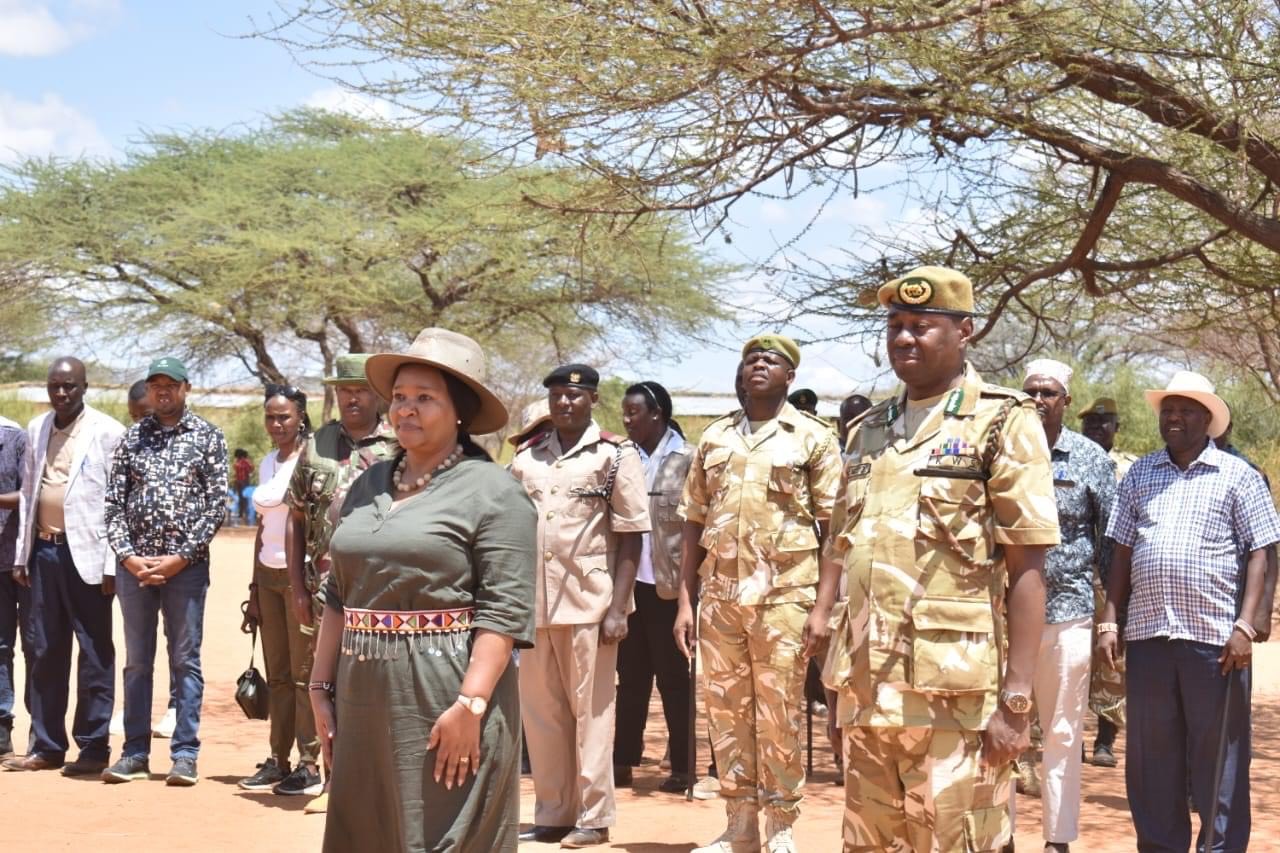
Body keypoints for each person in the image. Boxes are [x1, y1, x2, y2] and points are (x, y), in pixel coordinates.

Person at [824, 266, 1059, 852]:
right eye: (896, 325)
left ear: (965, 332)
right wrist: (838, 691)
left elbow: (1028, 568)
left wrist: (1016, 702)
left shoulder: (1004, 419)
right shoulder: (865, 432)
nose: (904, 338)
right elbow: (847, 553)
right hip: (867, 691)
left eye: (922, 326)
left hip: (955, 696)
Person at [309, 327, 535, 852]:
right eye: (401, 398)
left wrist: (471, 707)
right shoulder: (368, 483)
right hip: (362, 694)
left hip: (444, 696)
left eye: (425, 399)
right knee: (367, 833)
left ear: (460, 411)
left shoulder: (495, 493)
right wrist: (320, 689)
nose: (406, 410)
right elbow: (339, 594)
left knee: (436, 833)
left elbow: (503, 614)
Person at [1098, 370, 1280, 852]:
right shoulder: (1140, 473)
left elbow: (1262, 549)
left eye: (1185, 411)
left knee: (1217, 761)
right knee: (1152, 760)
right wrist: (1109, 618)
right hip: (1149, 636)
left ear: (1208, 419)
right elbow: (1121, 548)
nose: (1174, 418)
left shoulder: (1238, 474)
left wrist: (1246, 624)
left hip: (1215, 643)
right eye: (1168, 411)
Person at [674, 334, 842, 853]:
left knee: (779, 711)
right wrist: (685, 600)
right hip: (720, 596)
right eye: (751, 359)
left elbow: (834, 528)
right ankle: (740, 825)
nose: (759, 366)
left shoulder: (812, 437)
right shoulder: (716, 437)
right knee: (725, 712)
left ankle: (782, 827)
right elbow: (692, 521)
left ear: (790, 377)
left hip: (785, 598)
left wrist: (823, 607)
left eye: (771, 361)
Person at [511, 363, 649, 848]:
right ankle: (553, 812)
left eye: (575, 395)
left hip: (589, 603)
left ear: (592, 399)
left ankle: (593, 817)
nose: (564, 403)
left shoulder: (613, 455)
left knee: (592, 716)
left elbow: (632, 534)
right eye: (556, 396)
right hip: (534, 606)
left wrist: (619, 606)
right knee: (542, 715)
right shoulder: (528, 459)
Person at [101, 356, 227, 786]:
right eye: (156, 385)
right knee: (137, 662)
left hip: (185, 569)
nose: (163, 392)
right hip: (135, 569)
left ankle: (185, 754)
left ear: (185, 387)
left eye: (170, 385)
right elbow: (114, 504)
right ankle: (135, 753)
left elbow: (216, 507)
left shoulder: (208, 437)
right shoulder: (133, 438)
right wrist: (128, 556)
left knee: (185, 660)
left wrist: (180, 558)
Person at [284, 353, 397, 813]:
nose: (352, 397)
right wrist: (296, 587)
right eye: (344, 390)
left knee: (378, 686)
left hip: (382, 592)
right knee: (324, 684)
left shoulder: (398, 445)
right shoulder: (317, 445)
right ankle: (334, 785)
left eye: (361, 389)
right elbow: (294, 517)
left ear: (378, 395)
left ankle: (382, 787)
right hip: (325, 590)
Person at [4, 358, 124, 776]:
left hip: (88, 558)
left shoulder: (108, 432)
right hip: (43, 554)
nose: (61, 394)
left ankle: (92, 748)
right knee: (44, 651)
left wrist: (112, 562)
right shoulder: (35, 429)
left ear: (85, 387)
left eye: (69, 386)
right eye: (55, 386)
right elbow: (29, 492)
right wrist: (22, 555)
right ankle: (47, 745)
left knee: (94, 653)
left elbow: (117, 502)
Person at [1017, 360, 1115, 852]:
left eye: (1048, 392)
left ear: (1065, 401)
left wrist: (1110, 618)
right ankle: (996, 834)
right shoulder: (1003, 449)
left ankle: (1057, 839)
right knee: (1001, 728)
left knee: (1061, 730)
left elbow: (1110, 544)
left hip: (1069, 612)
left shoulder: (1091, 458)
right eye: (1030, 390)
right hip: (1003, 617)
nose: (1038, 399)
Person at [238, 385, 322, 796]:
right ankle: (278, 759)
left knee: (306, 675)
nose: (276, 424)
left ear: (301, 416)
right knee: (279, 675)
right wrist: (255, 588)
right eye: (270, 417)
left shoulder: (312, 459)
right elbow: (262, 530)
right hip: (268, 579)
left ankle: (309, 762)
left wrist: (300, 583)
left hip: (299, 579)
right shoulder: (269, 462)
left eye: (284, 417)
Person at [613, 381, 693, 794]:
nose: (627, 421)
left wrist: (689, 596)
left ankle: (683, 765)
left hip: (669, 588)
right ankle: (623, 760)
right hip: (630, 587)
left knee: (675, 679)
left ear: (657, 413)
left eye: (634, 413)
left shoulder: (687, 459)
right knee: (630, 678)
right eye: (624, 413)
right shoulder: (621, 458)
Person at [1077, 396, 1135, 767]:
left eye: (1105, 423)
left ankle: (1104, 740)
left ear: (1117, 427)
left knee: (1112, 660)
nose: (1098, 429)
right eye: (1091, 424)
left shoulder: (1131, 467)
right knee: (1070, 660)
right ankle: (1069, 740)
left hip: (1114, 576)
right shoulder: (1067, 457)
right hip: (1077, 575)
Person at [0, 413, 29, 761]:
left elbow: (31, 493)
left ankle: (44, 731)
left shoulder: (15, 437)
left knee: (39, 647)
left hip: (24, 560)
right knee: (0, 646)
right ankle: (2, 729)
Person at [233, 449, 254, 526]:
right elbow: (251, 469)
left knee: (242, 499)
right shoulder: (244, 461)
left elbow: (250, 468)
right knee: (243, 499)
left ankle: (242, 515)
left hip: (241, 481)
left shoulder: (240, 461)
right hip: (243, 481)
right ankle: (243, 515)